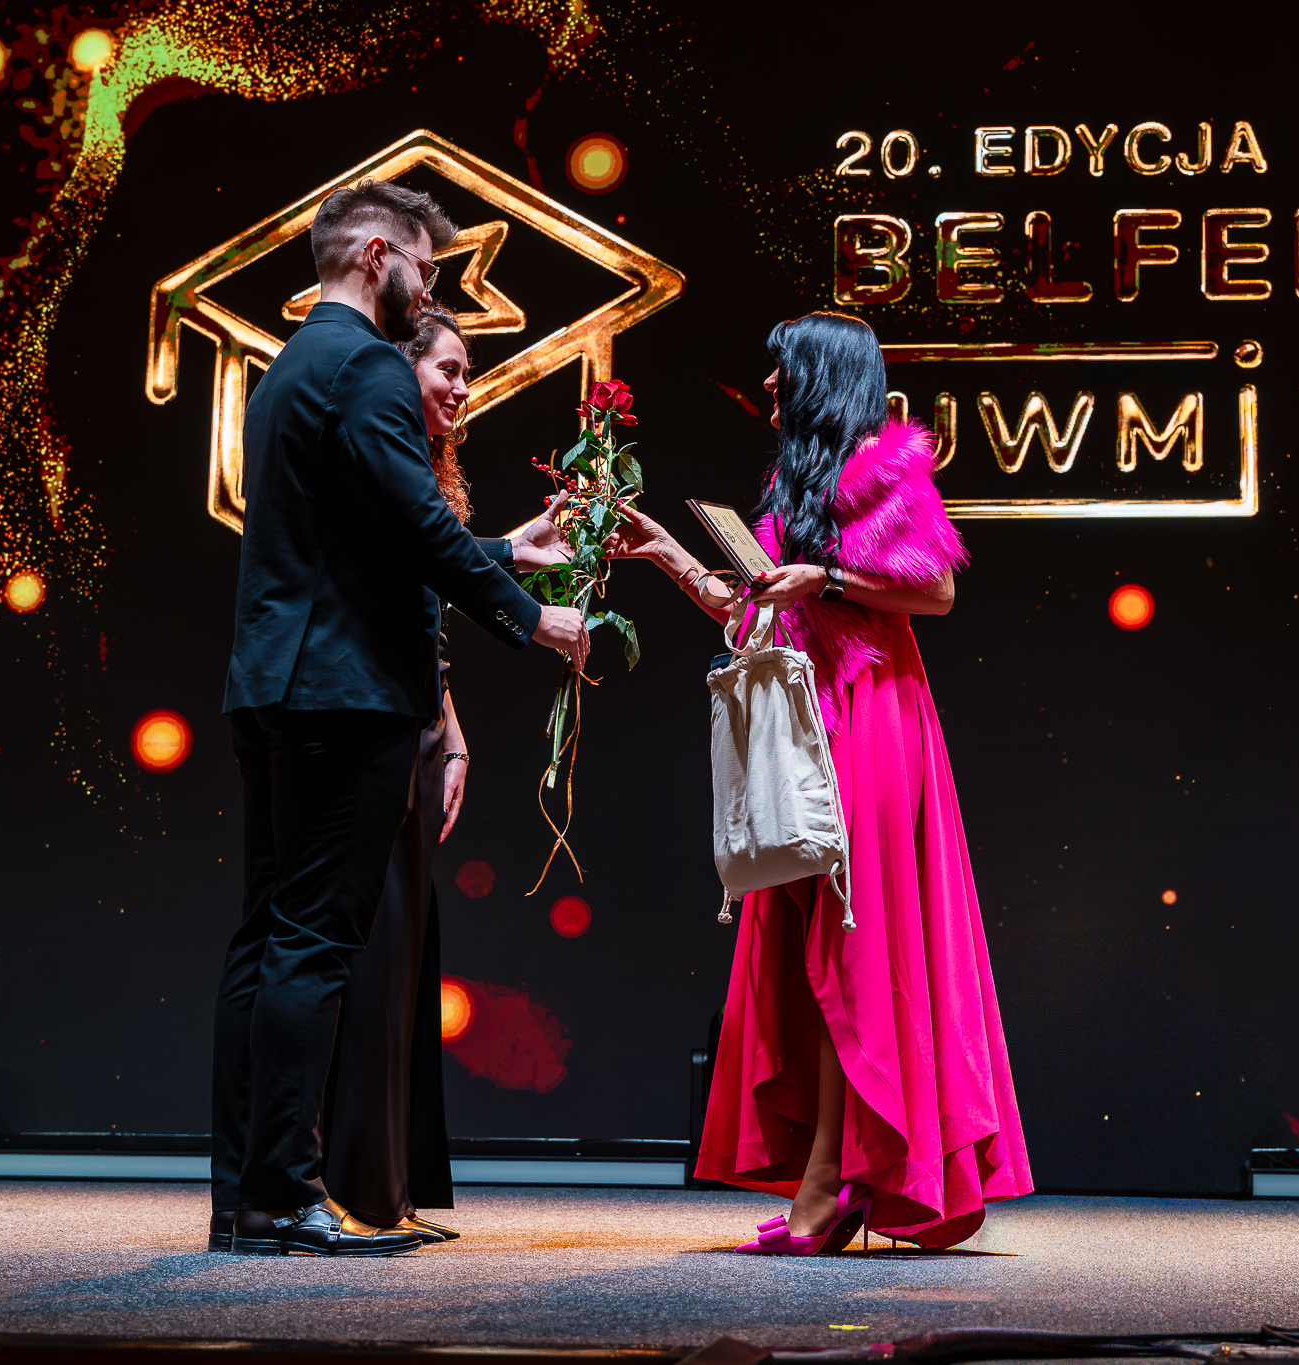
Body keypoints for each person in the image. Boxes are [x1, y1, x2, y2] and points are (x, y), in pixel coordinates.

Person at [211, 180, 590, 1258]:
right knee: (312, 941)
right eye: (425, 266)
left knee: (265, 939)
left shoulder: (289, 369)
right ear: (378, 254)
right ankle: (286, 1196)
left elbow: (366, 533)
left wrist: (506, 551)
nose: (429, 288)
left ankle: (246, 1197)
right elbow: (417, 523)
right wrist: (529, 617)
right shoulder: (369, 365)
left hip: (271, 685)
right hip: (343, 694)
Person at [612, 311, 1032, 1253]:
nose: (767, 384)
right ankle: (835, 1177)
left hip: (872, 720)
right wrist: (667, 551)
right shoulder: (791, 487)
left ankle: (828, 1188)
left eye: (782, 369)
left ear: (821, 377)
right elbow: (749, 609)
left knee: (853, 946)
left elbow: (936, 592)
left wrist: (826, 579)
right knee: (812, 947)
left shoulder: (886, 472)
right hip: (810, 726)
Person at [318, 308, 486, 1245]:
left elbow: (429, 624)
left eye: (467, 373)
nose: (461, 387)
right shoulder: (378, 460)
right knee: (373, 955)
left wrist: (451, 732)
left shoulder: (426, 468)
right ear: (402, 370)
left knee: (408, 956)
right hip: (373, 720)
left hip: (419, 725)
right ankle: (355, 1186)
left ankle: (390, 1182)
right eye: (447, 369)